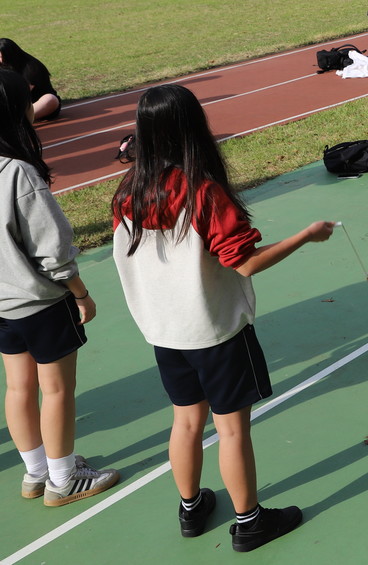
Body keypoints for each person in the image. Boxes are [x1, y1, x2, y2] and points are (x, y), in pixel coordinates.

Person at [111, 84, 333, 550]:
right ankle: (249, 521)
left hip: (165, 332)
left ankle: (191, 508)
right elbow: (245, 262)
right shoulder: (202, 192)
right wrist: (306, 236)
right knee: (231, 429)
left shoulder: (127, 191)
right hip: (215, 332)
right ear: (193, 130)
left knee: (186, 422)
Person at [0, 70, 120, 508]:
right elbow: (52, 250)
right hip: (41, 301)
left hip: (2, 305)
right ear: (15, 113)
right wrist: (81, 293)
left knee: (18, 388)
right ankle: (64, 477)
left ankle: (36, 471)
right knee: (55, 389)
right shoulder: (16, 173)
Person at [0, 39, 61, 121]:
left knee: (50, 99)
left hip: (34, 106)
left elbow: (22, 94)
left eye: (0, 57)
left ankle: (17, 121)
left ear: (10, 55)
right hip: (15, 108)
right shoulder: (2, 68)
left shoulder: (32, 67)